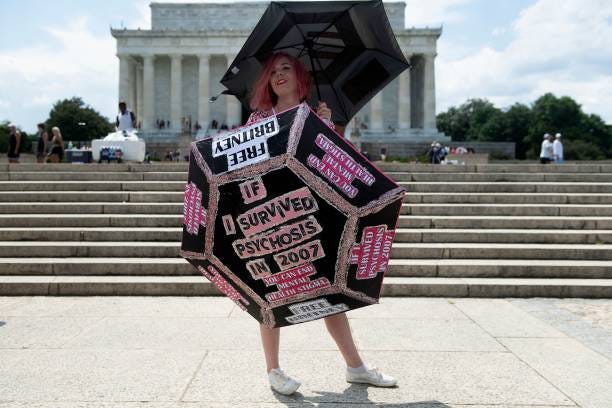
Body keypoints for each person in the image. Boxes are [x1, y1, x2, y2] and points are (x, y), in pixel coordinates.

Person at [246, 52, 397, 396]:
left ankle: (356, 367)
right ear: (267, 82)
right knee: (269, 294)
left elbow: (336, 170)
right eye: (273, 72)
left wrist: (326, 129)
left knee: (329, 292)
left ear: (301, 78)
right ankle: (274, 370)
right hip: (271, 217)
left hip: (312, 217)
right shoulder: (258, 118)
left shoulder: (316, 117)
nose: (279, 75)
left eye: (286, 69)